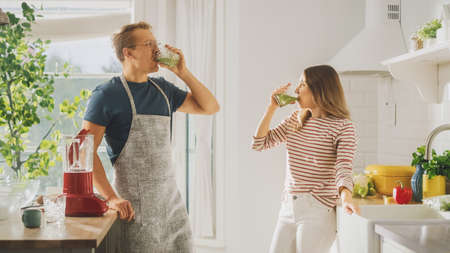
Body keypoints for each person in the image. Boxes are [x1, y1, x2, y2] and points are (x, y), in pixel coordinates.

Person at [81, 21, 219, 252]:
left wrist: (183, 72)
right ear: (128, 52)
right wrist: (112, 198)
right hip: (135, 212)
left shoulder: (163, 90)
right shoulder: (106, 95)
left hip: (172, 208)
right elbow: (85, 152)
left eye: (156, 44)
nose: (157, 49)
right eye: (148, 44)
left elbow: (210, 107)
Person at [252, 65, 359, 253]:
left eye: (302, 84)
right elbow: (260, 143)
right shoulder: (296, 120)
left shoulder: (343, 127)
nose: (296, 90)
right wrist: (271, 108)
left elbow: (343, 167)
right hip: (288, 206)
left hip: (317, 210)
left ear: (319, 89)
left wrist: (346, 196)